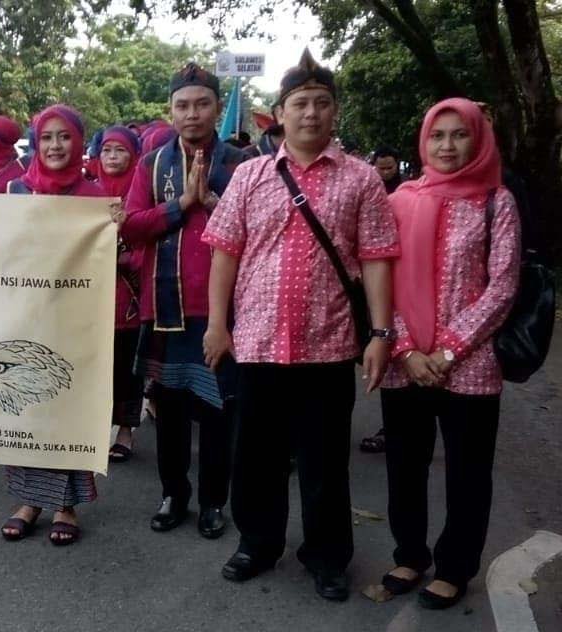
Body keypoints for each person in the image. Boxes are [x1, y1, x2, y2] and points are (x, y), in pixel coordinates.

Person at [202, 48, 400, 601]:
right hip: (258, 343)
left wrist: (381, 335)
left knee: (324, 461)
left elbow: (379, 259)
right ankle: (258, 543)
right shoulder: (250, 176)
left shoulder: (361, 180)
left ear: (335, 112)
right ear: (279, 114)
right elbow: (225, 254)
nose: (310, 113)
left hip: (329, 345)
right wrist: (218, 325)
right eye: (300, 104)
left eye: (321, 103)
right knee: (256, 456)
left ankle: (328, 556)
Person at [376, 98, 520, 609]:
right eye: (438, 136)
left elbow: (503, 286)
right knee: (405, 467)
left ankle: (456, 565)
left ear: (478, 139)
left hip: (472, 366)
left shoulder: (495, 202)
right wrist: (410, 349)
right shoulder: (398, 200)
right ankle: (410, 554)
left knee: (467, 472)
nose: (448, 146)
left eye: (460, 135)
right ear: (424, 142)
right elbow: (380, 280)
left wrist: (450, 349)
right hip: (405, 361)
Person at [121, 62, 248, 541]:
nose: (192, 113)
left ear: (217, 108)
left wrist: (214, 204)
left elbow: (262, 228)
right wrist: (183, 205)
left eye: (202, 104)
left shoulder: (244, 161)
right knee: (169, 410)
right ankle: (174, 493)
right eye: (182, 105)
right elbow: (130, 225)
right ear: (169, 111)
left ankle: (214, 502)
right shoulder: (151, 164)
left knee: (219, 411)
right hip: (165, 309)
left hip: (225, 311)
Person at [0, 104, 105, 546]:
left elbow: (106, 259)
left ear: (78, 142)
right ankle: (29, 500)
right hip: (27, 313)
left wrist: (112, 229)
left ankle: (65, 504)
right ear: (36, 142)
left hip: (77, 318)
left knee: (67, 408)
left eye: (64, 137)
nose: (56, 145)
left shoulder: (96, 197)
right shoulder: (16, 191)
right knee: (26, 406)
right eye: (47, 137)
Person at [95, 125, 143, 462]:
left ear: (133, 156)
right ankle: (94, 430)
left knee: (126, 368)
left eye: (120, 150)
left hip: (128, 299)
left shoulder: (141, 195)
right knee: (95, 368)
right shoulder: (88, 194)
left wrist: (123, 258)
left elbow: (148, 243)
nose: (112, 157)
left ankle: (124, 432)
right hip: (91, 297)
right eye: (106, 151)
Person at [359, 143, 409, 454]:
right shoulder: (375, 193)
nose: (386, 173)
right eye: (382, 168)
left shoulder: (406, 197)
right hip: (384, 297)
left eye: (391, 169)